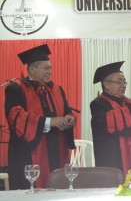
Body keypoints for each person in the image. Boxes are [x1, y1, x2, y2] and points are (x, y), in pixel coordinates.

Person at [4, 44, 76, 190]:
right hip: (29, 152)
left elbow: (67, 110)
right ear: (32, 69)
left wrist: (70, 118)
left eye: (50, 67)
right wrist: (49, 122)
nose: (50, 71)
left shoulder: (56, 89)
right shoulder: (16, 88)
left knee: (58, 189)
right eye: (46, 68)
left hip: (56, 148)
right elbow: (15, 116)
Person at [90, 61, 131, 175]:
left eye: (124, 82)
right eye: (119, 82)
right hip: (113, 160)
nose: (124, 85)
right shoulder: (98, 103)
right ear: (106, 84)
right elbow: (108, 124)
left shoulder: (128, 102)